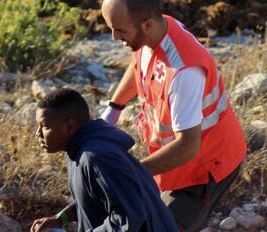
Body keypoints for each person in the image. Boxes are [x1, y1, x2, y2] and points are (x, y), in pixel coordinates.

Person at [100, 0, 248, 231]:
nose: (114, 37)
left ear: (147, 25)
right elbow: (139, 62)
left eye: (119, 30)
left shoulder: (183, 73)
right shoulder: (155, 31)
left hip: (204, 168)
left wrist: (134, 173)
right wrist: (114, 109)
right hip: (178, 164)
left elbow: (188, 146)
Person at [30, 88, 179, 232]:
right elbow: (95, 198)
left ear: (70, 126)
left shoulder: (97, 158)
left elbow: (128, 218)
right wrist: (61, 218)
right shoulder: (80, 151)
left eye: (45, 127)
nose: (38, 133)